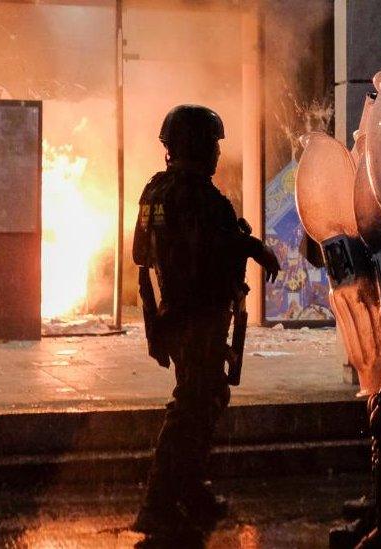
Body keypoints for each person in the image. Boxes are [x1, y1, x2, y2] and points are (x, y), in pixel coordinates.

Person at [131, 104, 280, 543]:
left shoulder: (156, 192)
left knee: (206, 396)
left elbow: (141, 252)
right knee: (192, 405)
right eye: (212, 142)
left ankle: (190, 490)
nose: (217, 151)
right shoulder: (197, 194)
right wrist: (250, 245)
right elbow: (211, 249)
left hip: (178, 315)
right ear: (194, 143)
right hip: (195, 316)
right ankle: (158, 505)